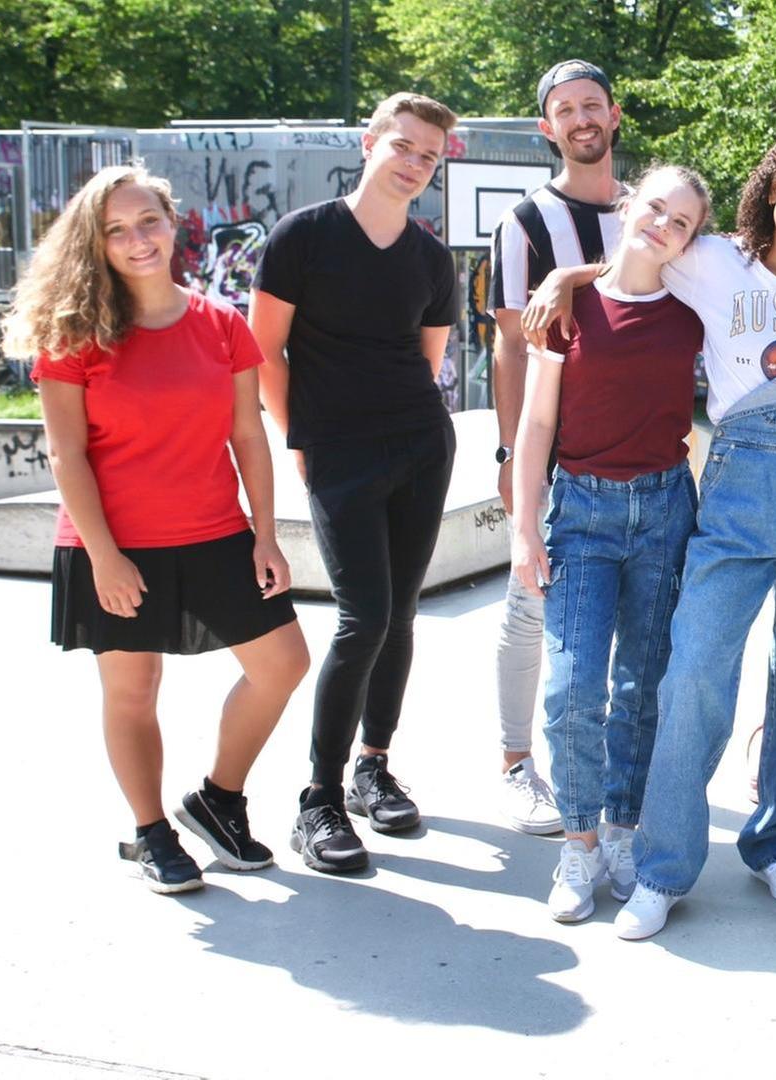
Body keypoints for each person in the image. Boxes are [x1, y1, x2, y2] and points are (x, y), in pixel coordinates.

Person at [525, 111, 776, 940]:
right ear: (775, 184)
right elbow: (637, 253)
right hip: (739, 488)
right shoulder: (716, 261)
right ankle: (661, 867)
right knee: (693, 671)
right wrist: (570, 278)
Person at [9, 165, 309, 892]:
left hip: (215, 533)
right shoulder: (73, 335)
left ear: (174, 223)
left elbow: (248, 434)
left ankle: (216, 798)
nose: (137, 239)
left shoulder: (220, 325)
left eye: (148, 221)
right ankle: (150, 832)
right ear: (97, 243)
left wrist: (265, 534)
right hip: (115, 544)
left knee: (284, 665)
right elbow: (65, 453)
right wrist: (105, 557)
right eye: (117, 230)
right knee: (133, 691)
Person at [252, 91, 462, 872]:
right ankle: (319, 799)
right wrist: (299, 441)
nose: (412, 164)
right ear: (370, 141)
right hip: (336, 451)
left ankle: (375, 764)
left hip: (418, 446)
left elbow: (427, 360)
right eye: (402, 146)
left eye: (428, 157)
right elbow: (264, 352)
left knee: (399, 613)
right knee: (361, 617)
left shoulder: (430, 258)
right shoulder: (303, 236)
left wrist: (408, 434)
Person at [510, 166, 709, 923]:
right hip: (583, 515)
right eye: (655, 207)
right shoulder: (569, 305)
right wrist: (525, 525)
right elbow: (536, 424)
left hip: (665, 511)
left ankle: (624, 830)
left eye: (682, 222)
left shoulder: (692, 310)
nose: (664, 225)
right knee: (570, 689)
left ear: (692, 239)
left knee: (641, 687)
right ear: (628, 206)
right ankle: (579, 842)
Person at [487, 59, 628, 836]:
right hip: (561, 448)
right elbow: (512, 348)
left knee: (636, 620)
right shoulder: (527, 223)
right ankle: (516, 763)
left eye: (590, 106)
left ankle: (611, 768)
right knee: (531, 604)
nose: (579, 119)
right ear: (548, 128)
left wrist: (577, 275)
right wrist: (514, 462)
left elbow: (670, 258)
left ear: (613, 116)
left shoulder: (650, 213)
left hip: (643, 448)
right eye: (564, 110)